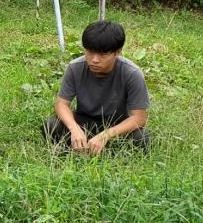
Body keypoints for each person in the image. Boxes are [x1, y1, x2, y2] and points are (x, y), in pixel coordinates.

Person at [42, 20, 151, 155]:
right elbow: (61, 104)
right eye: (90, 52)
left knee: (141, 137)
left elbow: (139, 118)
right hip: (84, 120)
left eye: (103, 54)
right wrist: (74, 129)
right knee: (51, 125)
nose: (94, 59)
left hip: (116, 126)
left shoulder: (132, 73)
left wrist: (105, 135)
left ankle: (109, 152)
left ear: (117, 53)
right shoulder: (75, 67)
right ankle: (77, 149)